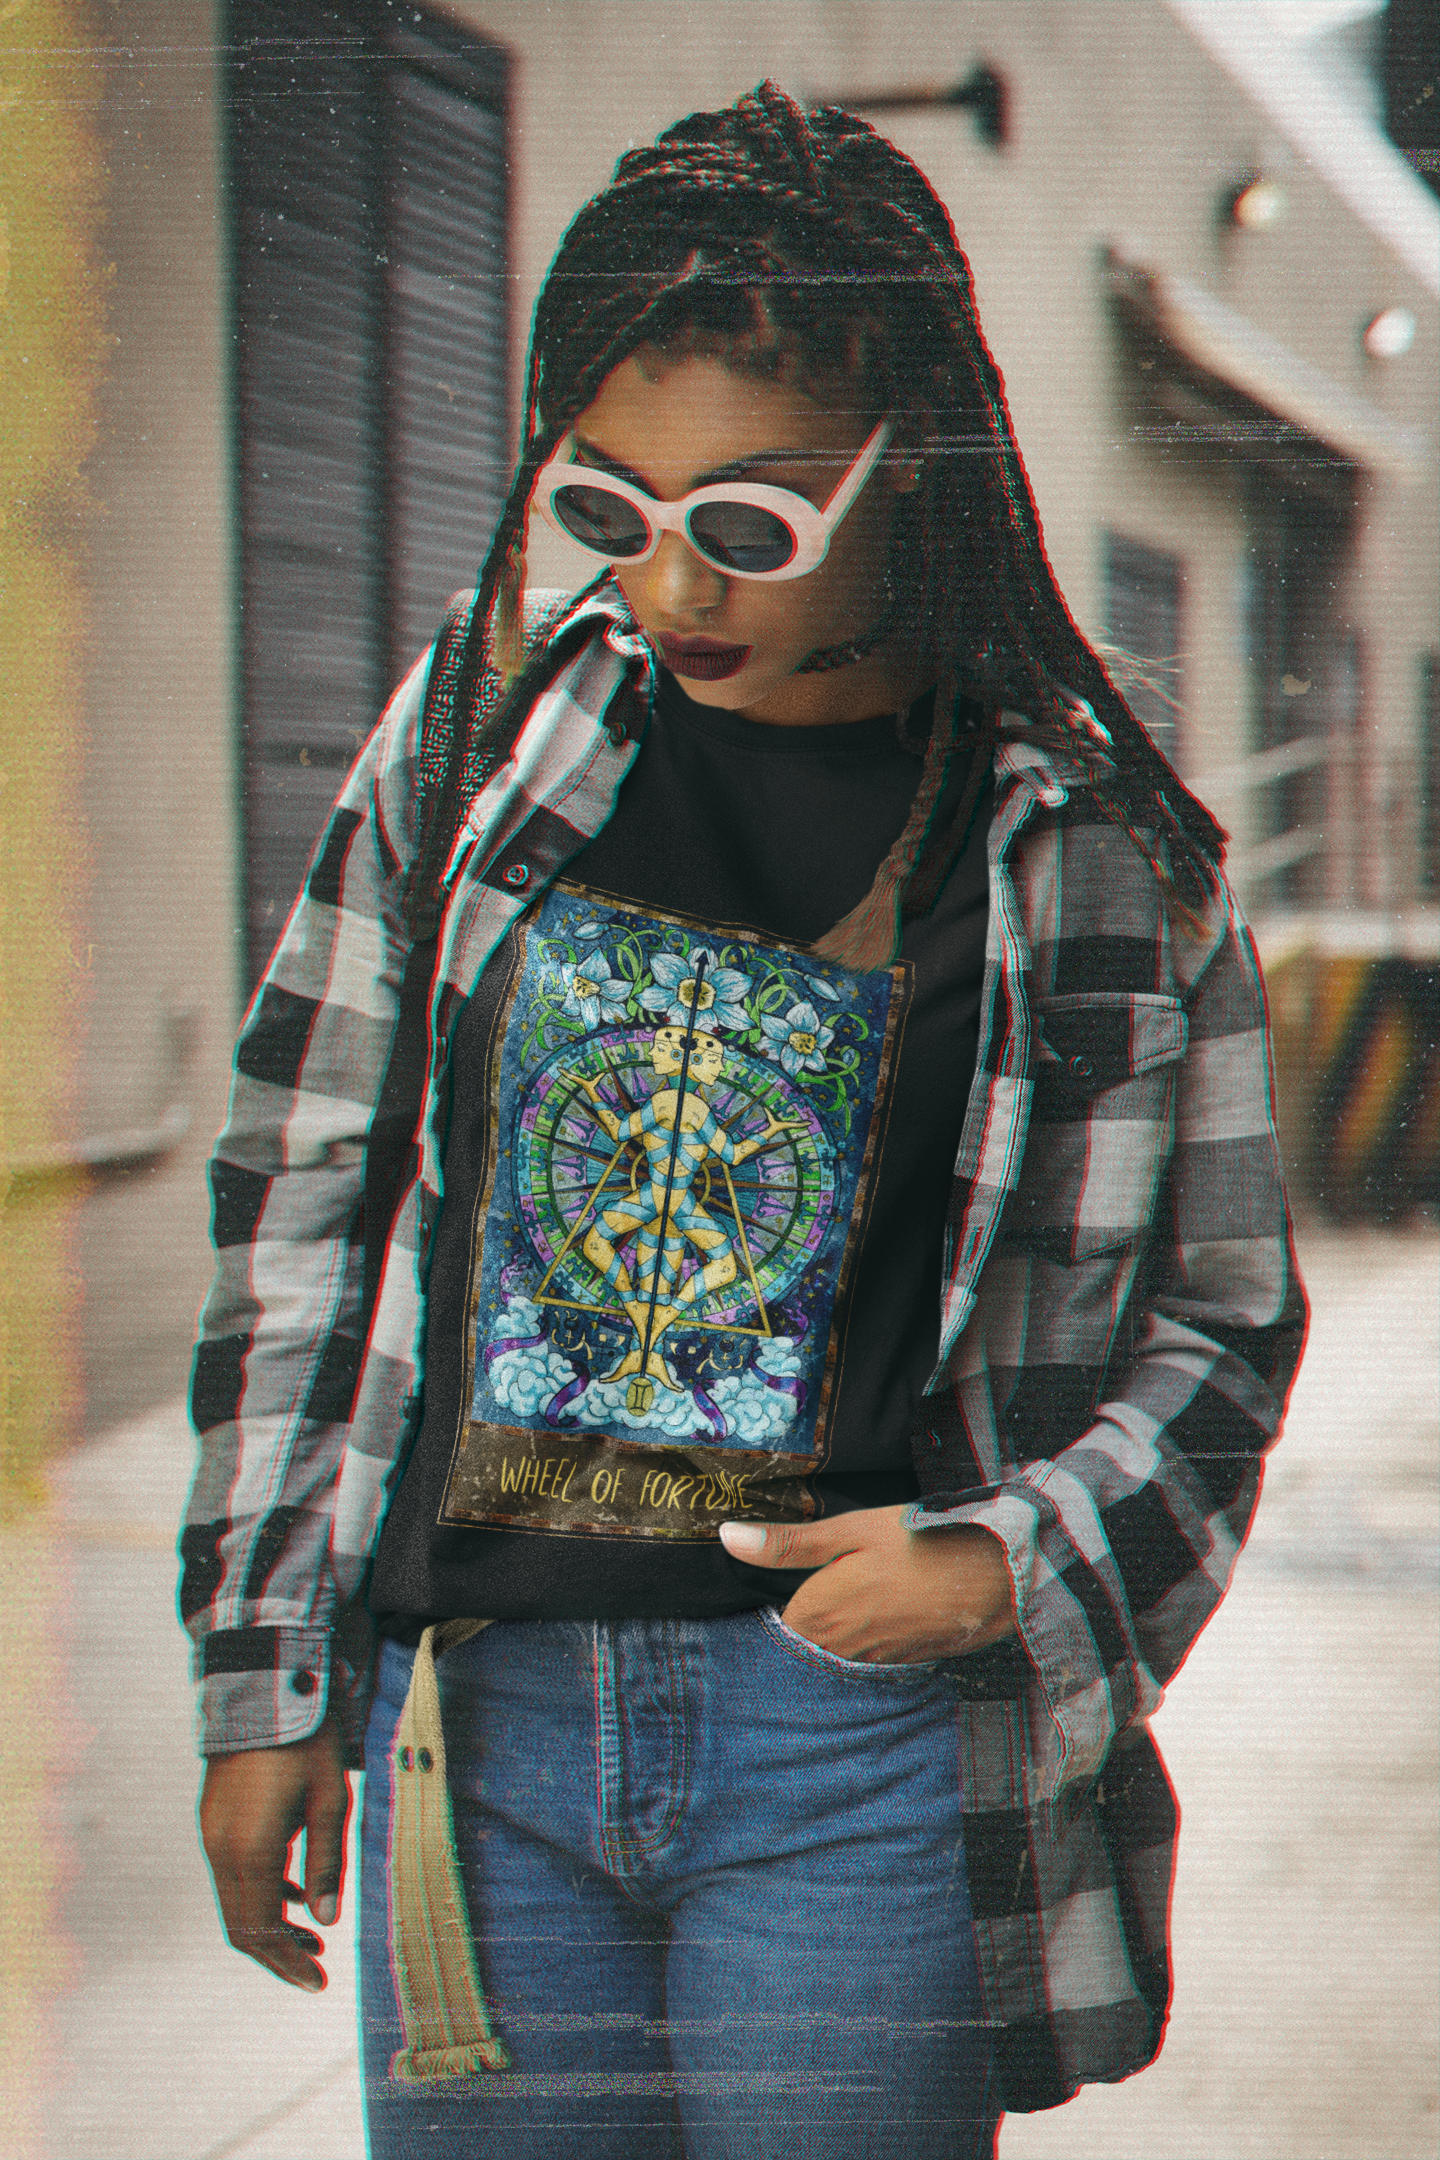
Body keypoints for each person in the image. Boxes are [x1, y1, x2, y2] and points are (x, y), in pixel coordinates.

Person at [182, 82, 1306, 2160]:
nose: (675, 586)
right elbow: (307, 1197)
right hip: (489, 1737)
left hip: (859, 1751)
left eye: (754, 523)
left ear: (928, 477)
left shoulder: (1085, 850)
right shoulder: (478, 739)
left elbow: (1226, 1321)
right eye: (607, 509)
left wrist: (1003, 1565)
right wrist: (267, 1679)